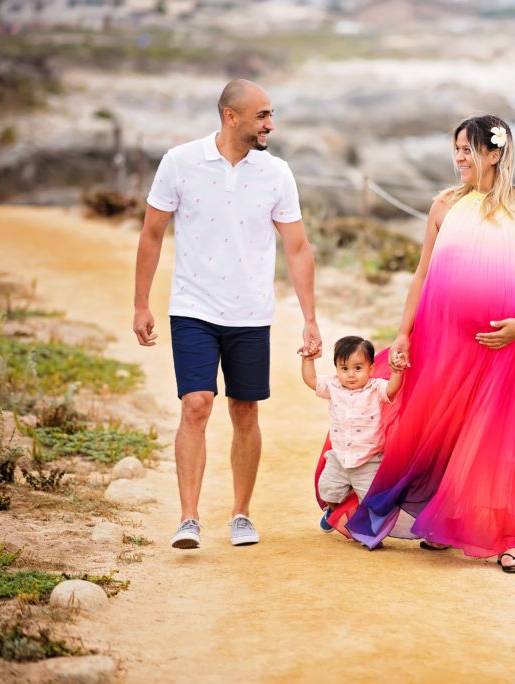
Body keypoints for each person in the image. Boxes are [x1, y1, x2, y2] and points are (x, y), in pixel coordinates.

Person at [345, 115, 515, 573]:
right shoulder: (443, 204)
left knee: (498, 434)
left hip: (510, 343)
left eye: (468, 149)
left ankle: (504, 538)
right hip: (442, 337)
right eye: (456, 149)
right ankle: (434, 520)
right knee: (434, 426)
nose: (459, 158)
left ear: (495, 154)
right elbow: (422, 273)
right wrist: (404, 332)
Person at [133, 79, 322, 550]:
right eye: (262, 115)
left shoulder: (276, 173)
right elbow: (152, 234)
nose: (270, 125)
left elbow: (297, 248)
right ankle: (189, 519)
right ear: (230, 115)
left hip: (252, 313)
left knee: (244, 410)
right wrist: (141, 303)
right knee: (196, 404)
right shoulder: (180, 162)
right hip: (193, 308)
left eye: (271, 115)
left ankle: (241, 514)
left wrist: (310, 317)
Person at [300, 336, 402, 534]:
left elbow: (392, 389)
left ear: (371, 369)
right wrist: (308, 359)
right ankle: (333, 511)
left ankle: (370, 530)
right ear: (337, 369)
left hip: (368, 460)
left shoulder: (375, 387)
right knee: (327, 490)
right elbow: (311, 380)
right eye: (344, 368)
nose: (351, 375)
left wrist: (397, 372)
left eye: (358, 368)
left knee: (370, 501)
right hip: (338, 457)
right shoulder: (333, 385)